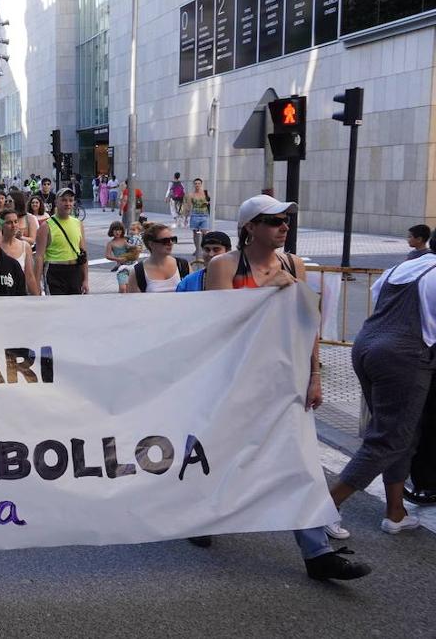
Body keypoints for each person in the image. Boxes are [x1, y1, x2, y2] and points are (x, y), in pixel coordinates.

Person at [206, 195, 370, 581]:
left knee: (301, 465)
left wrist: (314, 376)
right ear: (250, 227)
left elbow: (305, 325)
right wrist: (267, 293)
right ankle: (199, 518)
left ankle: (318, 554)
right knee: (223, 456)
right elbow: (217, 327)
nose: (284, 226)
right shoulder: (224, 265)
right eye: (274, 220)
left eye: (286, 220)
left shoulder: (292, 263)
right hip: (237, 381)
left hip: (286, 380)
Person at [326, 231, 436, 534]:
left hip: (367, 344)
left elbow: (378, 295)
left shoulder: (408, 266)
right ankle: (324, 507)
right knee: (389, 438)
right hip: (404, 355)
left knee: (404, 434)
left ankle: (395, 512)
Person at [34, 188, 88, 296]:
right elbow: (39, 256)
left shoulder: (78, 224)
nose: (67, 203)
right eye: (63, 200)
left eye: (71, 200)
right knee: (56, 307)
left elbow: (83, 253)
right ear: (56, 202)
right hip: (54, 271)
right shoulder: (46, 226)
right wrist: (36, 285)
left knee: (74, 307)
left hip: (74, 270)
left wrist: (86, 279)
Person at [126, 223, 189, 293]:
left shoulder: (183, 265)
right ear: (151, 244)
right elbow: (135, 302)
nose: (170, 243)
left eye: (173, 239)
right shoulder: (138, 272)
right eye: (165, 241)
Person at [0, 209, 40, 296]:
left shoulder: (25, 246)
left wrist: (37, 298)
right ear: (1, 225)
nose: (13, 225)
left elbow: (30, 276)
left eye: (16, 221)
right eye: (9, 223)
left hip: (20, 293)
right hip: (1, 294)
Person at [104, 221, 134, 294]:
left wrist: (133, 247)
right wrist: (118, 259)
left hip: (131, 265)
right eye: (115, 230)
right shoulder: (110, 243)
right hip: (121, 267)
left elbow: (132, 248)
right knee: (122, 288)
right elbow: (107, 256)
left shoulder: (125, 239)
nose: (117, 232)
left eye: (119, 230)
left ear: (122, 231)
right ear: (112, 231)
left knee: (129, 288)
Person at [187, 179, 211, 254]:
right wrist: (186, 217)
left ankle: (204, 248)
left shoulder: (206, 193)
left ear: (201, 184)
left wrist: (207, 203)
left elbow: (211, 202)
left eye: (199, 183)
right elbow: (189, 206)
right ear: (194, 185)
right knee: (195, 233)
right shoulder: (191, 194)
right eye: (196, 183)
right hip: (194, 215)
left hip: (204, 215)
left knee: (205, 232)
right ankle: (197, 249)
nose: (197, 185)